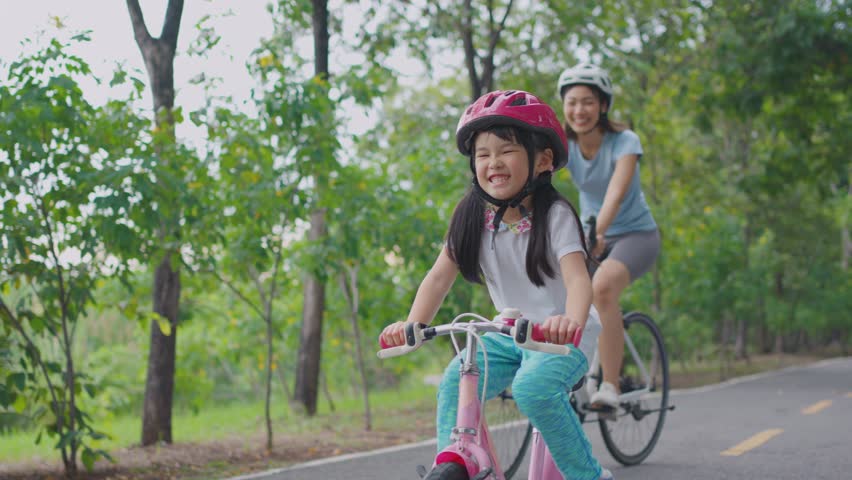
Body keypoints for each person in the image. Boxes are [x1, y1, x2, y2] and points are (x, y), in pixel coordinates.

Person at [380, 90, 613, 480]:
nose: (493, 162)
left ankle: (587, 474)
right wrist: (412, 325)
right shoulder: (471, 215)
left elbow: (577, 278)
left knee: (533, 390)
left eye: (506, 151)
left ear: (543, 160)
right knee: (455, 381)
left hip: (560, 337)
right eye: (483, 154)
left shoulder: (554, 215)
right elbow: (438, 278)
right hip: (508, 332)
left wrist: (569, 321)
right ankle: (454, 463)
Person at [556, 63, 661, 409]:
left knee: (601, 288)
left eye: (588, 102)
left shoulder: (625, 141)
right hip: (591, 233)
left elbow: (615, 192)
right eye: (572, 102)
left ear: (603, 106)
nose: (579, 110)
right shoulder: (564, 147)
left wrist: (599, 232)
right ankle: (575, 376)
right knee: (563, 293)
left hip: (635, 235)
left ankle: (611, 387)